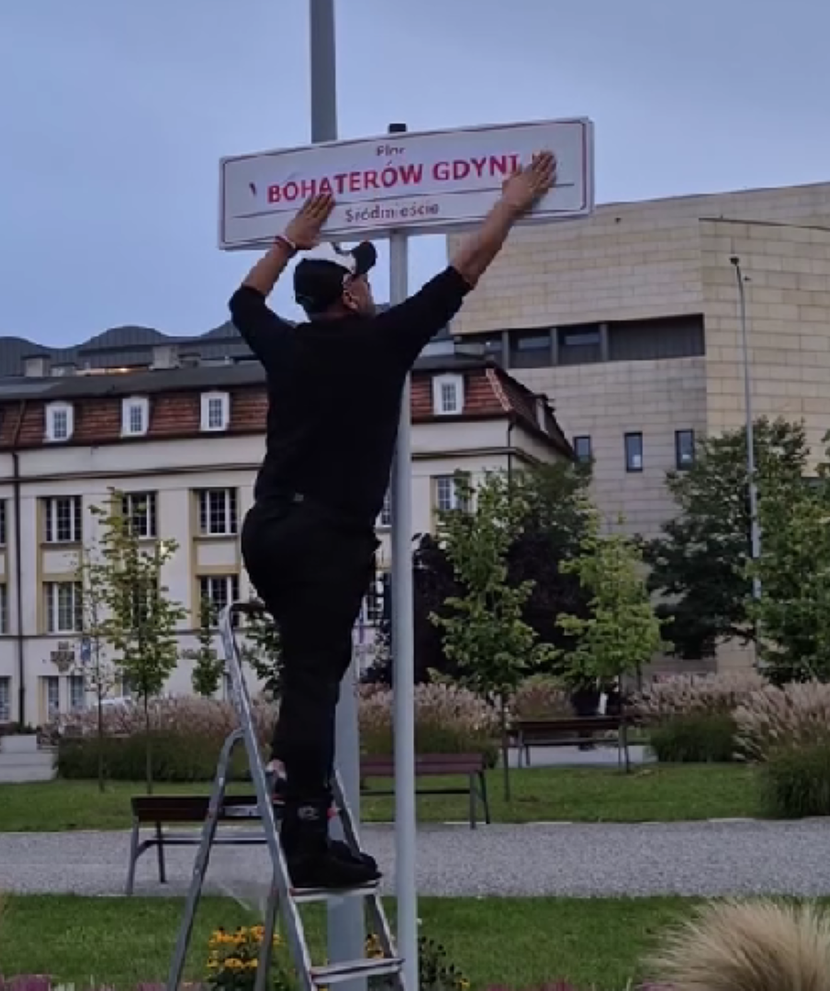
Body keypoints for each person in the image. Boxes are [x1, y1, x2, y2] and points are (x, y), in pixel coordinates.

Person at [228, 150, 558, 889]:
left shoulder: (288, 345)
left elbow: (243, 304)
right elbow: (465, 270)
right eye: (364, 278)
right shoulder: (380, 342)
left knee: (307, 671)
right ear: (347, 296)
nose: (372, 287)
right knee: (316, 677)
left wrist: (286, 242)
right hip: (326, 538)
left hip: (269, 529)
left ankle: (307, 800)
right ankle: (307, 836)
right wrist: (508, 203)